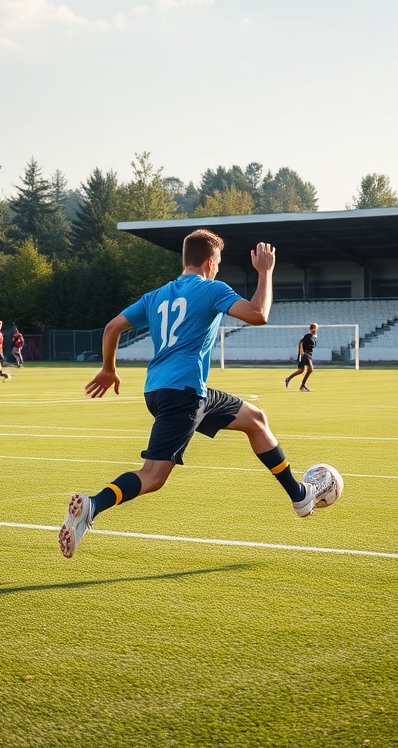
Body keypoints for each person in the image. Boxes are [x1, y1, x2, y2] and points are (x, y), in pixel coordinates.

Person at [58, 229, 331, 559]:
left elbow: (113, 326)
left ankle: (300, 495)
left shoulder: (157, 295)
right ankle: (92, 506)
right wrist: (265, 273)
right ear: (209, 261)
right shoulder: (211, 289)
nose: (218, 268)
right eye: (218, 262)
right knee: (153, 476)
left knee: (255, 419)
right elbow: (258, 313)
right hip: (183, 394)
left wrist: (108, 369)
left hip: (164, 391)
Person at [284, 322, 318, 392]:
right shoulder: (307, 336)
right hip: (305, 354)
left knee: (301, 370)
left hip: (309, 354)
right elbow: (300, 342)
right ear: (311, 329)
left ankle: (289, 379)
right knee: (310, 369)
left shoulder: (313, 337)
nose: (315, 330)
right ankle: (302, 386)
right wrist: (300, 352)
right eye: (314, 328)